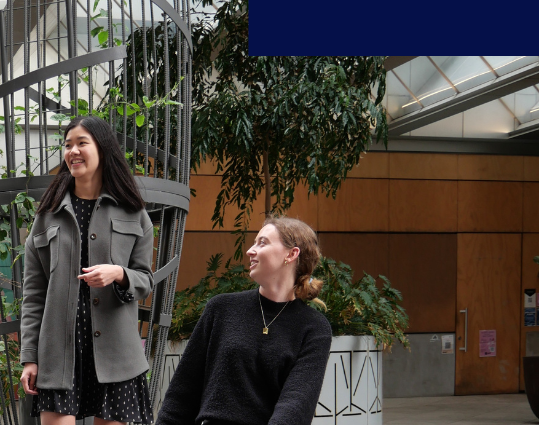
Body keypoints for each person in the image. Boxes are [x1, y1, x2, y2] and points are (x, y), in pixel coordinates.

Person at [20, 116, 155, 424]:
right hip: (58, 356)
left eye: (82, 143)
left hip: (117, 356)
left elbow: (145, 280)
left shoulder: (134, 213)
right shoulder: (46, 217)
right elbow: (34, 294)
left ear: (103, 149)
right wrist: (30, 358)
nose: (73, 151)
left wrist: (118, 274)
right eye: (68, 145)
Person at [156, 216, 332, 425]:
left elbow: (296, 405)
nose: (250, 251)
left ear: (291, 254)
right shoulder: (222, 309)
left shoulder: (314, 328)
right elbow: (181, 395)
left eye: (262, 243)